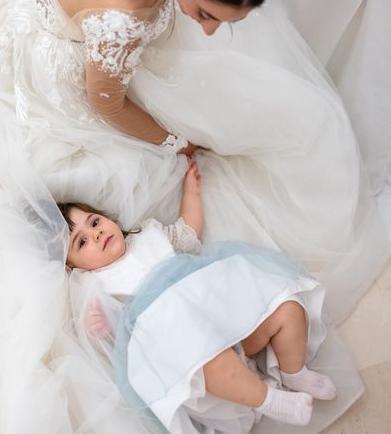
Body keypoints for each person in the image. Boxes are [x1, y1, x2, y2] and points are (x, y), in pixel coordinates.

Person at [0, 0, 387, 431]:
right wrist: (176, 141)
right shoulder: (123, 11)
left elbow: (185, 230)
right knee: (139, 151)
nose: (204, 31)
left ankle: (286, 369)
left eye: (221, 24)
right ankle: (268, 395)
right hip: (61, 50)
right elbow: (107, 102)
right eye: (203, 15)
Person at [63, 161, 337, 432]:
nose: (96, 233)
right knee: (211, 360)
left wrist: (191, 195)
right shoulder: (99, 285)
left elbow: (189, 234)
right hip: (192, 354)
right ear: (74, 266)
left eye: (94, 221)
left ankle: (294, 371)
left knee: (287, 307)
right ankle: (269, 400)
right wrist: (101, 326)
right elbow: (125, 342)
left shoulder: (150, 233)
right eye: (82, 242)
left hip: (228, 318)